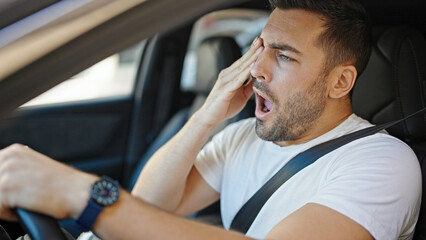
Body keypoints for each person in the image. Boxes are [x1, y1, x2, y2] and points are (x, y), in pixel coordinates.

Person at [0, 0, 422, 239]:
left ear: (339, 81)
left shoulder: (384, 163)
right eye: (260, 48)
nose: (256, 69)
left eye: (284, 55)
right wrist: (207, 114)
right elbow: (149, 206)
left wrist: (83, 194)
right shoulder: (242, 136)